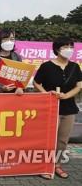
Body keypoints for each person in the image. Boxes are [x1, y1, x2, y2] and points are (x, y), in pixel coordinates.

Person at [33, 37, 81, 179]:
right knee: (48, 138)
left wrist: (67, 96)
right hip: (50, 108)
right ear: (57, 49)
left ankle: (57, 165)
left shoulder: (75, 67)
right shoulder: (46, 66)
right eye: (65, 47)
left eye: (71, 47)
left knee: (62, 140)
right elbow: (37, 83)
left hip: (69, 109)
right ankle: (44, 166)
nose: (69, 50)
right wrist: (47, 95)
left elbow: (79, 85)